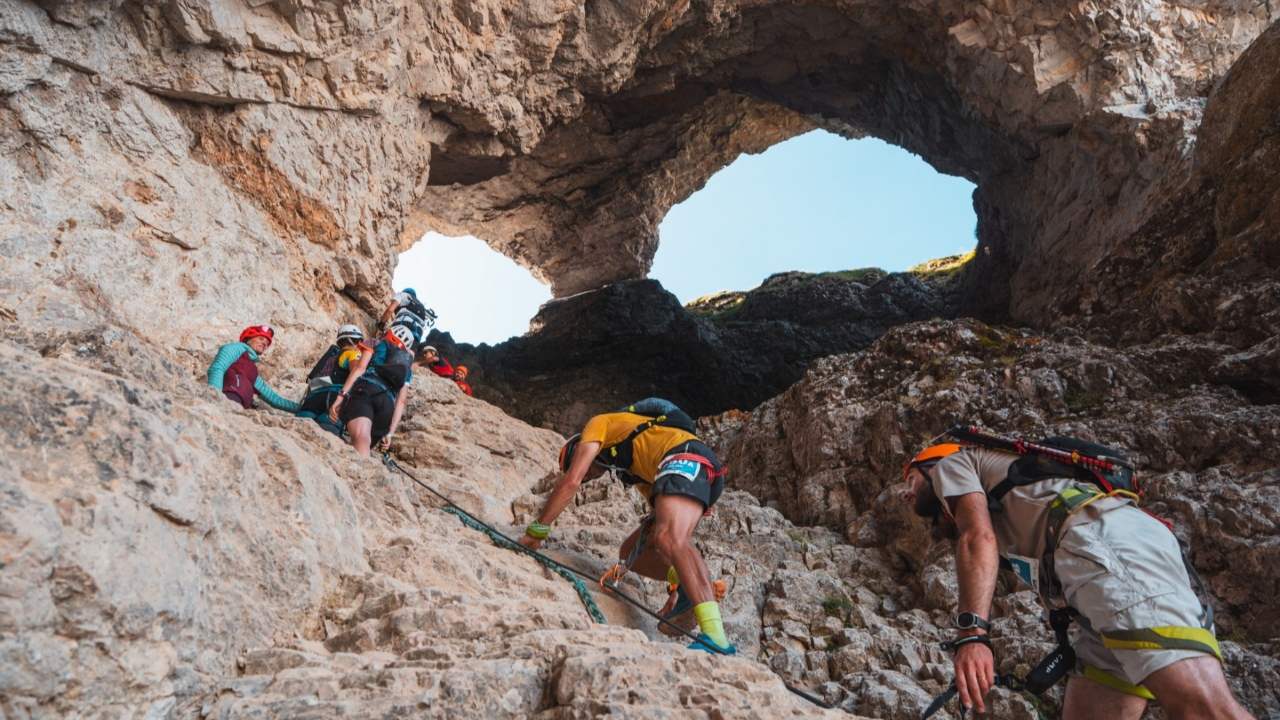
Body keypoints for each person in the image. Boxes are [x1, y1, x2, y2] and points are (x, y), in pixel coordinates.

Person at [901, 440, 1255, 720]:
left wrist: (972, 634)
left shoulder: (954, 463)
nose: (905, 493)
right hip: (1104, 566)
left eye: (910, 479)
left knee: (1204, 710)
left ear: (933, 463)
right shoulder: (1011, 490)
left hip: (1105, 550)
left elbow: (978, 539)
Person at [518, 398, 733, 654]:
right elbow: (660, 532)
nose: (584, 474)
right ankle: (689, 584)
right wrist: (619, 577)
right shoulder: (633, 467)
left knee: (669, 537)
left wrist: (535, 533)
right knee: (633, 551)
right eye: (585, 475)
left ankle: (716, 636)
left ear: (579, 445)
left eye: (574, 461)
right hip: (692, 468)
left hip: (683, 456)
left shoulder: (600, 423)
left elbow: (571, 481)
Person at [327, 328, 414, 458]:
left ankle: (360, 477)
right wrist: (390, 433)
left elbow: (359, 369)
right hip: (387, 405)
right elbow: (401, 401)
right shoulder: (406, 367)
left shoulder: (375, 343)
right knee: (361, 446)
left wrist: (341, 396)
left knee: (361, 438)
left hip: (367, 391)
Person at [206, 325, 300, 413]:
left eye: (267, 343)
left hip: (240, 408)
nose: (265, 343)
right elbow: (217, 368)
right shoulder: (236, 348)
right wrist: (215, 396)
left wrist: (304, 408)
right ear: (249, 340)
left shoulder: (252, 370)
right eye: (261, 338)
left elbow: (273, 398)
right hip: (229, 398)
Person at [296, 324, 364, 436]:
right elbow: (356, 373)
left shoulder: (329, 357)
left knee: (298, 433)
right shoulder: (353, 353)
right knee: (326, 437)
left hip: (313, 399)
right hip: (334, 398)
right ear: (355, 342)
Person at [376, 287, 436, 352]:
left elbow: (390, 310)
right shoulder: (422, 307)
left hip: (404, 322)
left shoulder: (403, 294)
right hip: (418, 331)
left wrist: (380, 327)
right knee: (410, 353)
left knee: (386, 344)